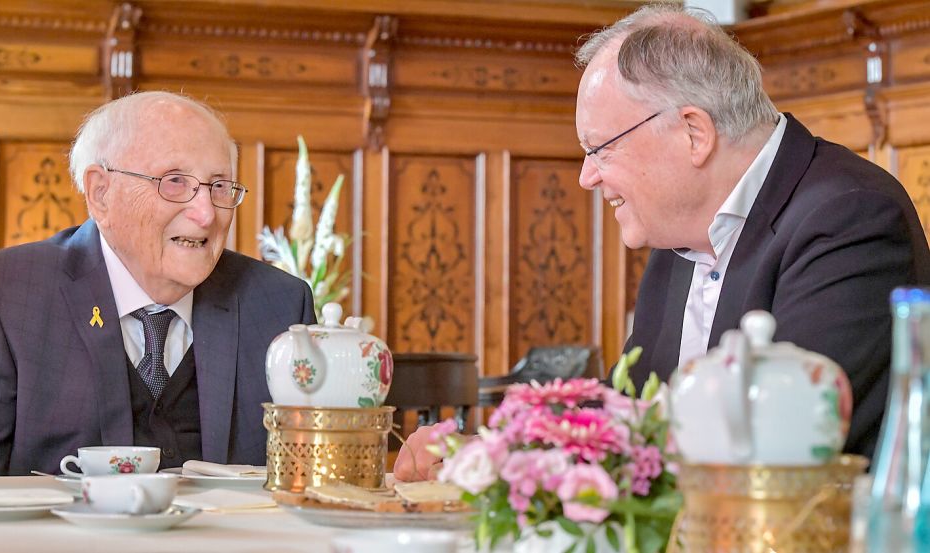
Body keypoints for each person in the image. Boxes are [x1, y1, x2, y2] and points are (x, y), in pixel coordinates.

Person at [394, 4, 930, 481]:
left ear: (693, 133)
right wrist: (493, 454)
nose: (586, 176)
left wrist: (514, 467)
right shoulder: (679, 237)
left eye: (599, 149)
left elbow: (770, 442)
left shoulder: (850, 217)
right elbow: (627, 413)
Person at [0, 91, 316, 476]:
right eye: (175, 181)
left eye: (220, 186)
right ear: (100, 193)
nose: (206, 214)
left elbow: (311, 478)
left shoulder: (279, 306)